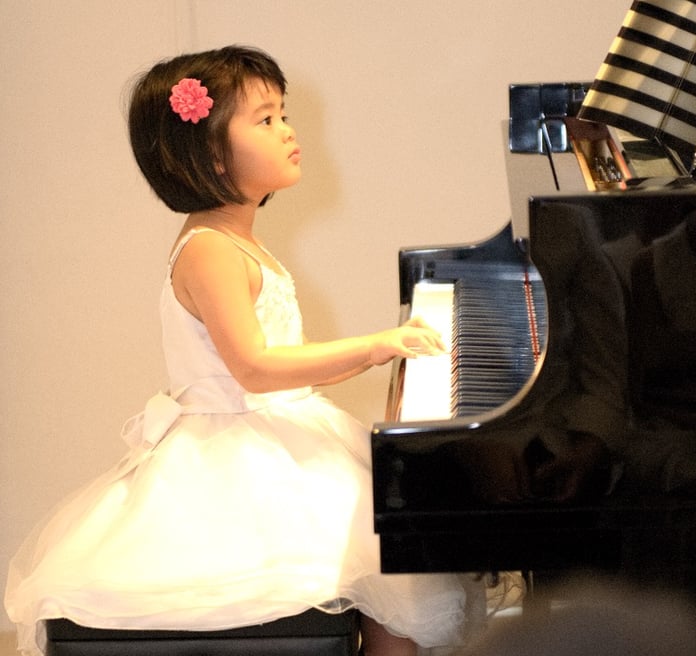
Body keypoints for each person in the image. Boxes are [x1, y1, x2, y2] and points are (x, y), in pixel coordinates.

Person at [4, 45, 484, 656]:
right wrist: (374, 347)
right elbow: (253, 368)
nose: (287, 131)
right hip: (235, 453)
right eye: (265, 119)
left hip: (273, 430)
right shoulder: (209, 248)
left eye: (284, 114)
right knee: (378, 559)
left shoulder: (235, 239)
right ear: (211, 155)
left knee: (388, 572)